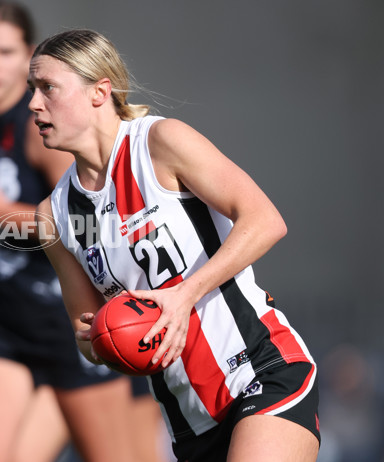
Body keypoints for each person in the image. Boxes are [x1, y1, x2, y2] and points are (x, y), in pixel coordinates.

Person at [31, 29, 321, 462]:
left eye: (48, 88)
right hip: (189, 421)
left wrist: (185, 295)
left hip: (262, 369)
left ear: (99, 91)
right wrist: (100, 339)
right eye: (32, 90)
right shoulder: (54, 215)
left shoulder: (159, 144)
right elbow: (90, 337)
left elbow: (265, 221)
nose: (34, 104)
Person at [0, 3, 140, 462]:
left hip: (68, 322)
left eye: (5, 52)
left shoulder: (44, 129)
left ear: (28, 57)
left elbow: (90, 223)